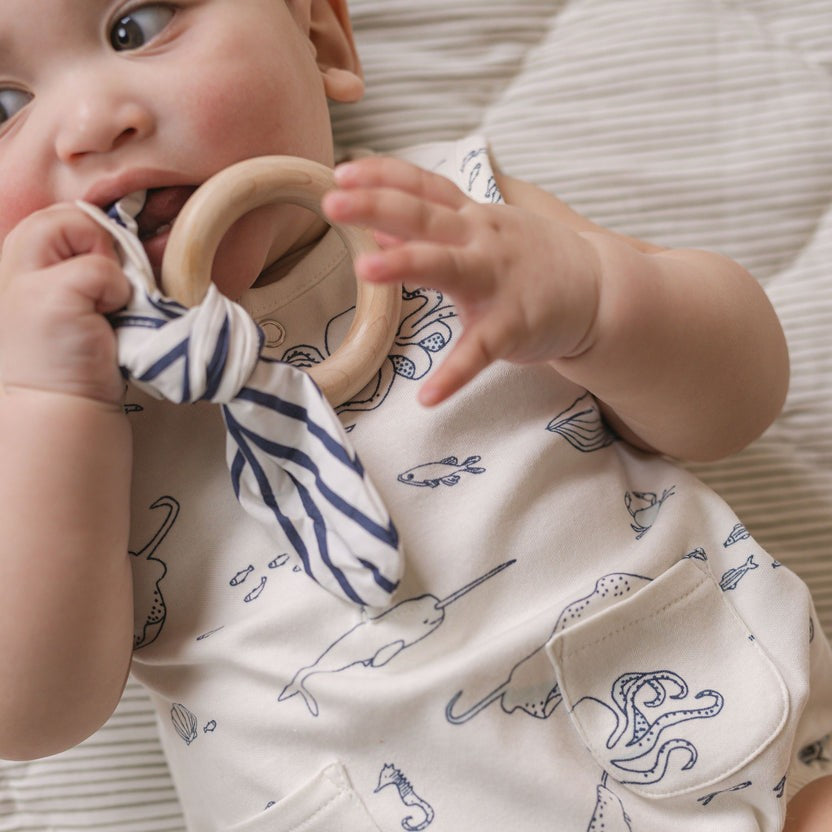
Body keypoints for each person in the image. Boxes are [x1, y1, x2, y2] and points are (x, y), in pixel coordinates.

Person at [0, 1, 830, 830]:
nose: (86, 125)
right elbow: (33, 713)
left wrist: (593, 300)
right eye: (4, 106)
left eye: (135, 27)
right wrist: (52, 403)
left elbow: (737, 402)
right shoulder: (46, 408)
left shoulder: (458, 223)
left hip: (718, 757)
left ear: (320, 36)